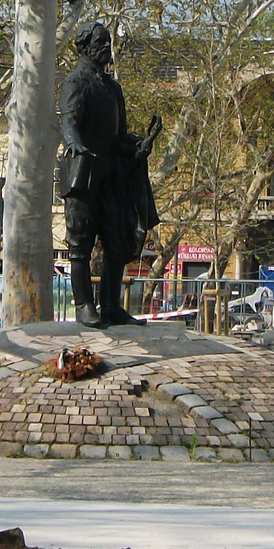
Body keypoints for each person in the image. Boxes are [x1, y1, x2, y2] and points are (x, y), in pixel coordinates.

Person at [59, 21, 162, 328]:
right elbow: (69, 120)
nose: (107, 47)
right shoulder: (76, 82)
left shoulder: (112, 88)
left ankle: (111, 306)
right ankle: (83, 305)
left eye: (108, 42)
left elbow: (119, 136)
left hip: (110, 177)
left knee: (116, 241)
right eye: (101, 42)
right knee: (80, 242)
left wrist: (136, 146)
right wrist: (74, 143)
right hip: (84, 174)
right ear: (86, 46)